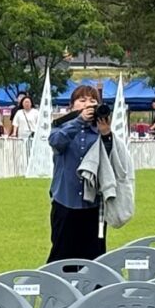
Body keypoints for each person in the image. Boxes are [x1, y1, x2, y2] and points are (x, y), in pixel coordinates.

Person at [48, 85, 113, 262]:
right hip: (65, 200)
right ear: (72, 105)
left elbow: (111, 162)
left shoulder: (100, 130)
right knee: (62, 255)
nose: (88, 104)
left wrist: (106, 134)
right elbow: (56, 143)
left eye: (93, 101)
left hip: (94, 204)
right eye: (82, 100)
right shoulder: (61, 126)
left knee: (95, 258)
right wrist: (79, 122)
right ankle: (58, 290)